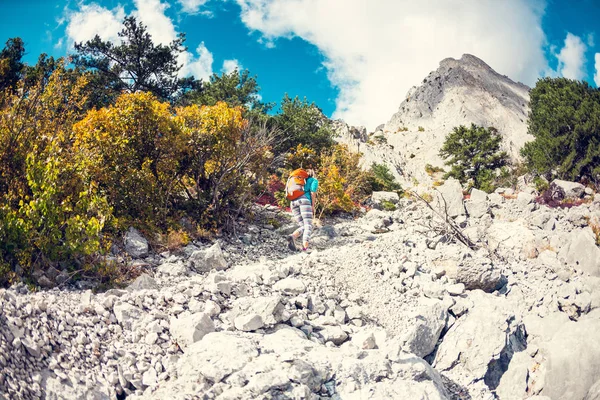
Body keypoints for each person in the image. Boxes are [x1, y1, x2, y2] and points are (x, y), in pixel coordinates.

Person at [287, 168, 318, 251]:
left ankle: (292, 237)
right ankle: (305, 248)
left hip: (293, 202)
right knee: (308, 225)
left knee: (303, 226)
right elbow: (313, 193)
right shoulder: (314, 180)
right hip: (304, 201)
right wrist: (312, 205)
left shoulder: (298, 181)